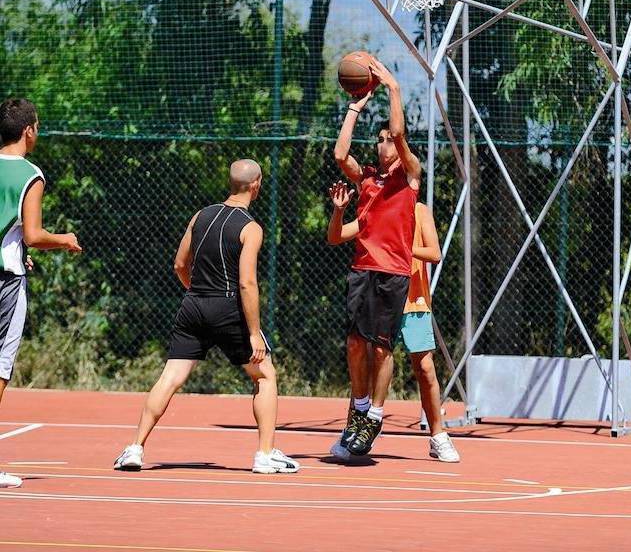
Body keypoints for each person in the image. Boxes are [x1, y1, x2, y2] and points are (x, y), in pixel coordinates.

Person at [113, 159, 299, 475]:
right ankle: (265, 455)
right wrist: (254, 332)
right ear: (256, 185)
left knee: (170, 378)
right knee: (265, 375)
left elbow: (179, 265)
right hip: (227, 308)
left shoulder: (201, 216)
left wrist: (197, 291)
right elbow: (247, 282)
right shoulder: (251, 227)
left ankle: (135, 449)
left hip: (193, 305)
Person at [327, 181, 460, 463]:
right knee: (366, 363)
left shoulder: (419, 209)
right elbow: (337, 236)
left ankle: (438, 436)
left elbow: (434, 253)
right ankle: (353, 432)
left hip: (413, 300)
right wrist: (339, 212)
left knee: (424, 369)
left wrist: (396, 247)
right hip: (380, 298)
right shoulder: (373, 209)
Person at [332, 57, 421, 456]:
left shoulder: (411, 175)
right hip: (362, 269)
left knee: (382, 348)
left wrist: (393, 88)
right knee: (355, 343)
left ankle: (376, 416)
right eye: (381, 138)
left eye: (388, 139)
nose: (384, 141)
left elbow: (400, 130)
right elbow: (339, 155)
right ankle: (360, 408)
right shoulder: (367, 177)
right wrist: (354, 108)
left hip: (393, 272)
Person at [0, 98, 82, 489]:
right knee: (0, 366)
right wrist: (63, 240)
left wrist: (18, 251)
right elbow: (33, 234)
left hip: (9, 264)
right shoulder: (30, 174)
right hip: (5, 282)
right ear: (28, 130)